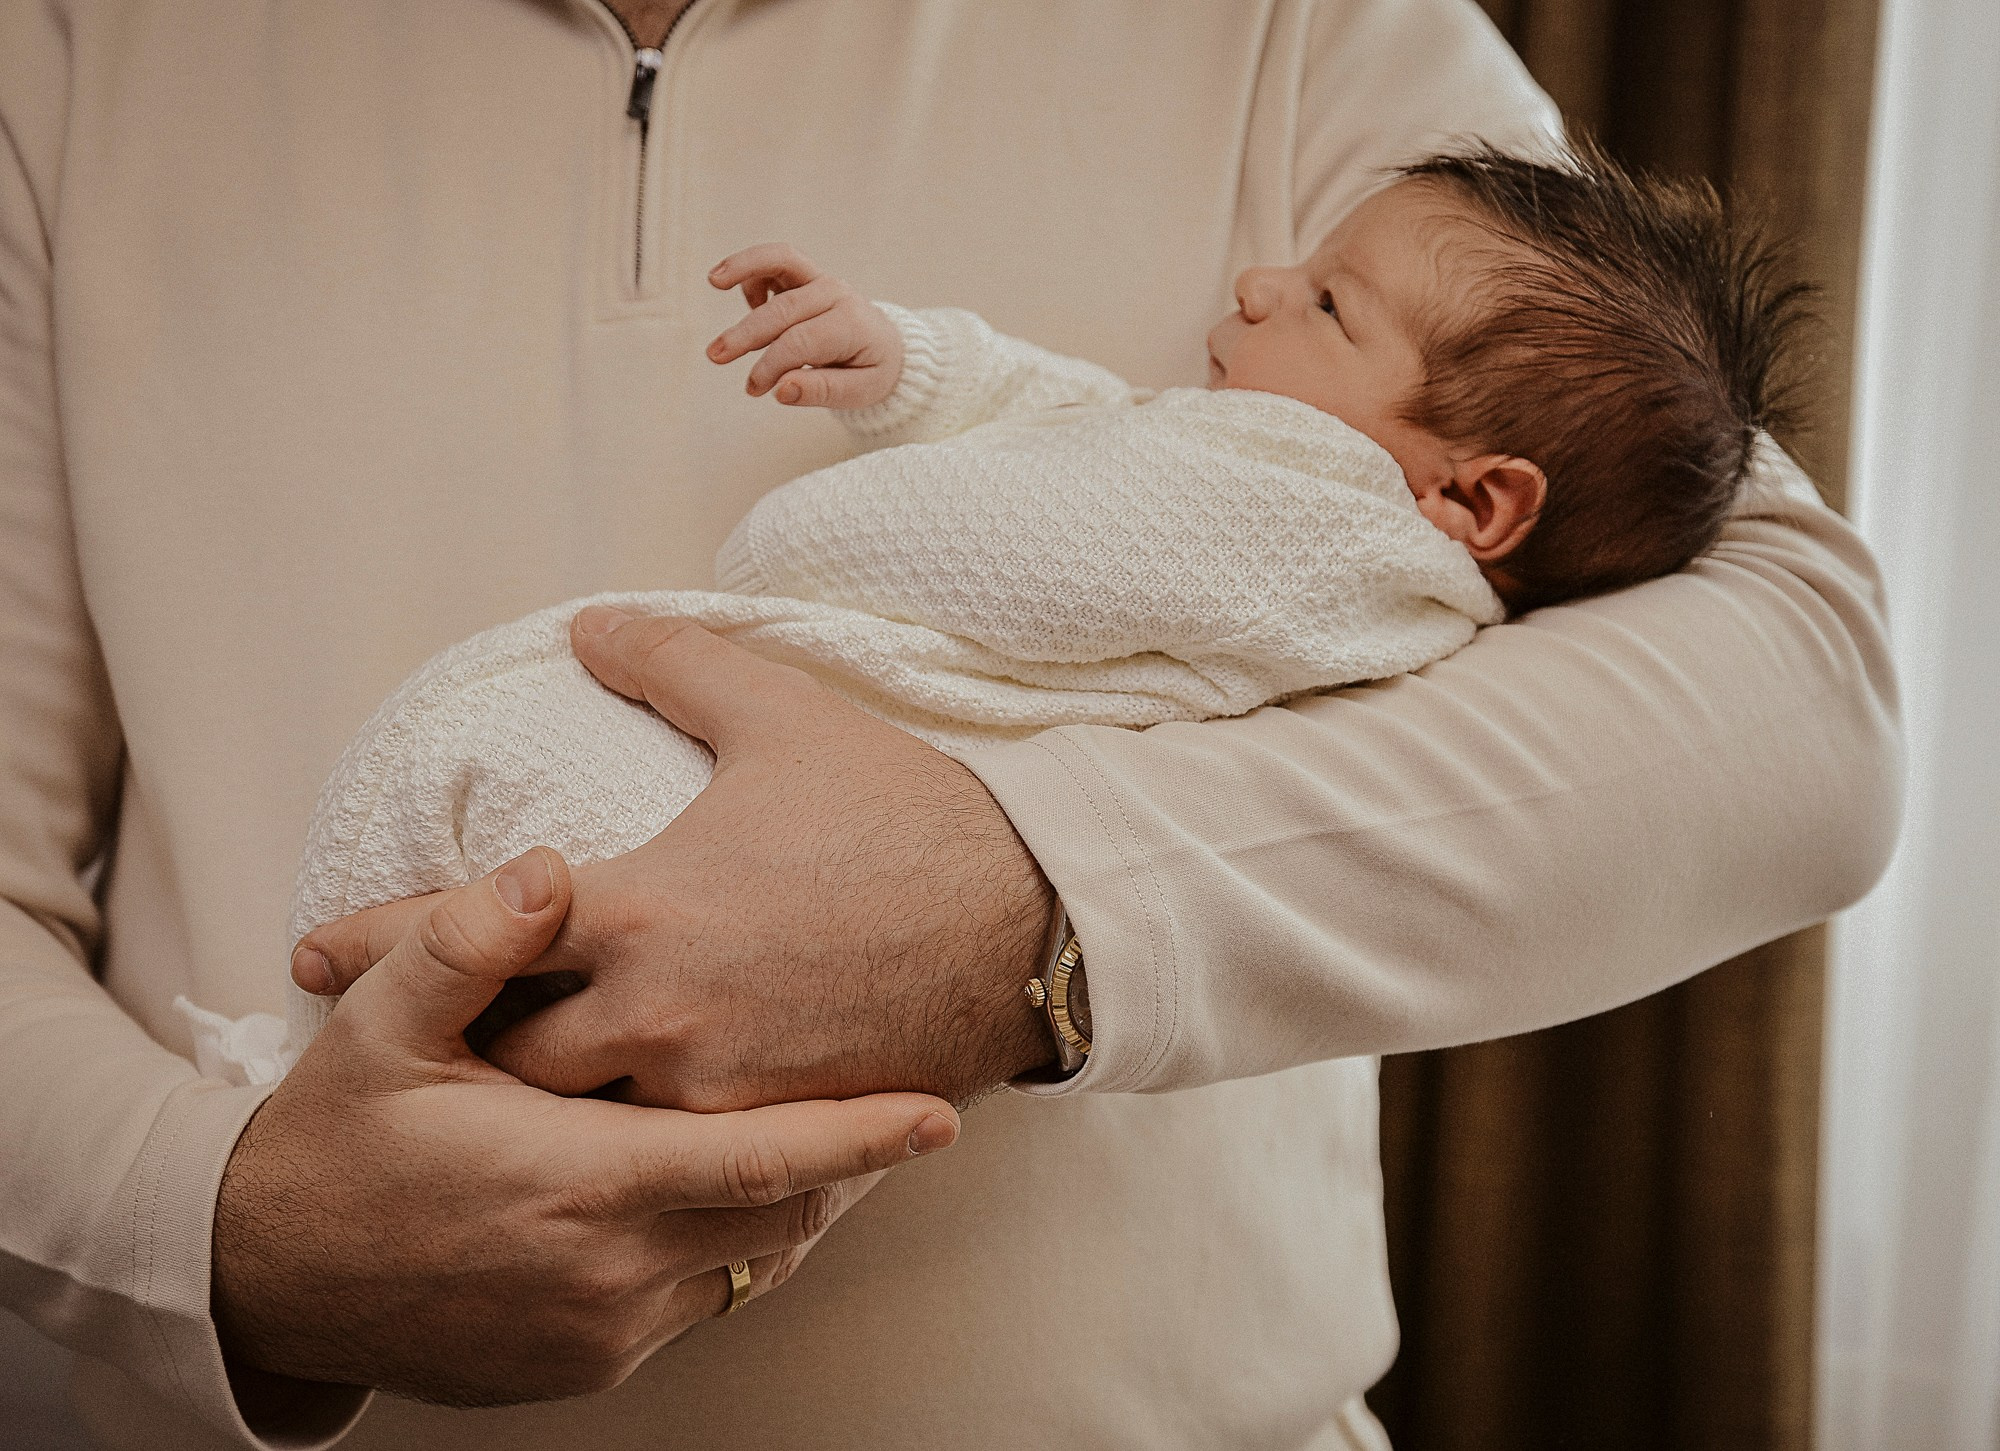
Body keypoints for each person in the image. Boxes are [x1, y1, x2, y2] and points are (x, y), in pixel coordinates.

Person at [0, 4, 1899, 1450]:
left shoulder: (1303, 27)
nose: (1262, 303)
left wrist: (1023, 901)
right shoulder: (71, 48)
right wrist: (220, 1231)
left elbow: (1803, 699)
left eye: (1312, 300)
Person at [227, 142, 1808, 1092]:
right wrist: (916, 365)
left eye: (1329, 303)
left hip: (841, 778)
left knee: (504, 800)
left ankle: (315, 1088)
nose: (1260, 284)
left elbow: (1048, 521)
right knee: (494, 826)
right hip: (818, 776)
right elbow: (1095, 427)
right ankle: (332, 1089)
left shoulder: (1324, 525)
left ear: (1476, 503)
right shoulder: (1281, 476)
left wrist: (830, 522)